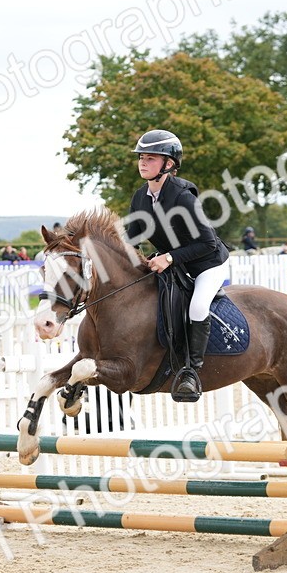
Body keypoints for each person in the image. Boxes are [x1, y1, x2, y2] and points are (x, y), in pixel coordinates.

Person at [124, 129, 229, 401]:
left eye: (150, 158)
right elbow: (132, 237)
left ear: (168, 164)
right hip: (173, 265)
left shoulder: (184, 197)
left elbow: (207, 243)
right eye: (141, 158)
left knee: (197, 307)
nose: (142, 163)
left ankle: (191, 372)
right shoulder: (140, 197)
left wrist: (168, 257)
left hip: (207, 265)